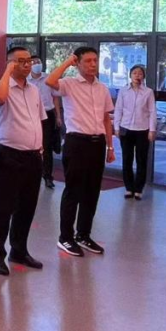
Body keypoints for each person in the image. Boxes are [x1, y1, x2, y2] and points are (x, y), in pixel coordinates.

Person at [46, 47, 115, 258]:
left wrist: (110, 146)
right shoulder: (69, 84)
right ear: (78, 63)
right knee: (73, 191)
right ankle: (65, 237)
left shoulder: (102, 88)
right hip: (77, 143)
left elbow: (106, 119)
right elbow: (50, 81)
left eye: (95, 60)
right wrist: (68, 62)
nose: (93, 64)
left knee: (92, 192)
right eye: (88, 61)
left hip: (97, 143)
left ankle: (83, 235)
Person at [0, 46, 46, 275]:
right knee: (4, 206)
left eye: (29, 60)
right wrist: (7, 73)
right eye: (20, 61)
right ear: (10, 63)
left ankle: (19, 250)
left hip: (33, 155)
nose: (27, 64)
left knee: (27, 206)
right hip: (10, 155)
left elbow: (38, 120)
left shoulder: (34, 90)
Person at [113, 64, 156, 201]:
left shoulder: (148, 92)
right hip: (125, 128)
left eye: (140, 73)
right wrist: (116, 127)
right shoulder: (123, 91)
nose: (137, 75)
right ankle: (128, 187)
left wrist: (152, 130)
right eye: (135, 73)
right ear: (130, 75)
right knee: (127, 159)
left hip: (142, 129)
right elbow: (118, 109)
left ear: (143, 77)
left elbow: (152, 111)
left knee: (141, 160)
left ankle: (138, 189)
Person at [29, 57, 62, 189]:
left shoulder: (48, 78)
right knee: (32, 145)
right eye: (34, 63)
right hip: (31, 116)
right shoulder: (26, 80)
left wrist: (58, 116)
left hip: (48, 115)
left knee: (47, 146)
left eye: (39, 62)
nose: (37, 64)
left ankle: (48, 176)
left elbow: (55, 98)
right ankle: (32, 174)